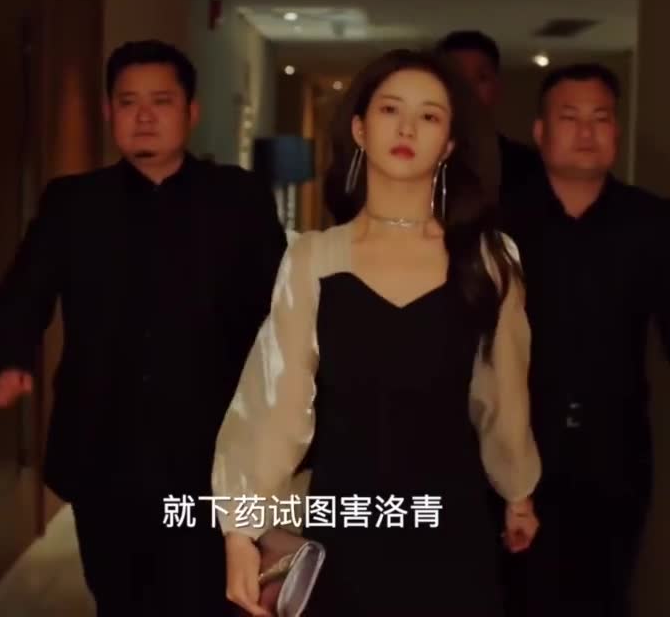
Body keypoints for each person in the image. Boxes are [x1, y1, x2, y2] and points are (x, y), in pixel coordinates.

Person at [211, 49, 542, 617]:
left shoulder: (489, 258)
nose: (407, 128)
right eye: (391, 109)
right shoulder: (313, 258)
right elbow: (277, 403)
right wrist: (241, 529)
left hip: (450, 525)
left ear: (450, 143)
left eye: (429, 115)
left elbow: (502, 394)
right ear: (361, 128)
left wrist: (518, 492)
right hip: (343, 525)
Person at [0, 40, 287, 616]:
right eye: (128, 102)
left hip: (212, 449)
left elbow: (278, 309)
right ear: (108, 112)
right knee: (120, 598)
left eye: (161, 101)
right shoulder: (74, 203)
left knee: (208, 595)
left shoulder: (237, 199)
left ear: (191, 111)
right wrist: (10, 357)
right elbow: (24, 291)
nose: (144, 116)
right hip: (103, 447)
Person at [504, 63, 670, 617]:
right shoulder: (502, 219)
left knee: (603, 593)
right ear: (540, 132)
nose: (586, 131)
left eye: (600, 118)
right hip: (514, 446)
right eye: (570, 117)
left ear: (617, 131)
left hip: (615, 449)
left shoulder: (651, 221)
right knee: (516, 593)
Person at [437, 30, 543, 210]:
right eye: (457, 77)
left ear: (496, 86)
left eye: (481, 78)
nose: (468, 89)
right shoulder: (418, 158)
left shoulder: (528, 166)